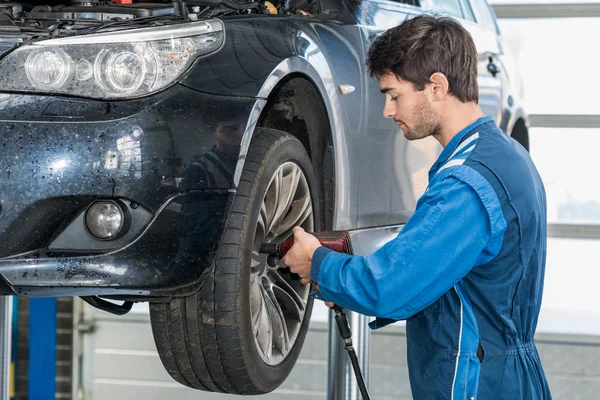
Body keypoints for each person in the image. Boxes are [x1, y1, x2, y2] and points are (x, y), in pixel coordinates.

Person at [282, 15, 552, 399]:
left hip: (477, 383)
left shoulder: (467, 185)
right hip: (500, 372)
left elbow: (390, 286)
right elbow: (443, 277)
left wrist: (321, 265)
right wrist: (345, 277)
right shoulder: (500, 155)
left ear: (437, 87)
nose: (388, 112)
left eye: (394, 95)